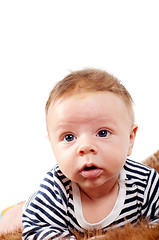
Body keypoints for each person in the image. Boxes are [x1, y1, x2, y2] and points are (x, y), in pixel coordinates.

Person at [22, 69, 159, 240]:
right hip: (36, 210)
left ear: (130, 139)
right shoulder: (55, 191)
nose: (85, 147)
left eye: (102, 133)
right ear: (52, 145)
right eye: (69, 137)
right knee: (12, 220)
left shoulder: (145, 182)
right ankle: (18, 209)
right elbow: (36, 232)